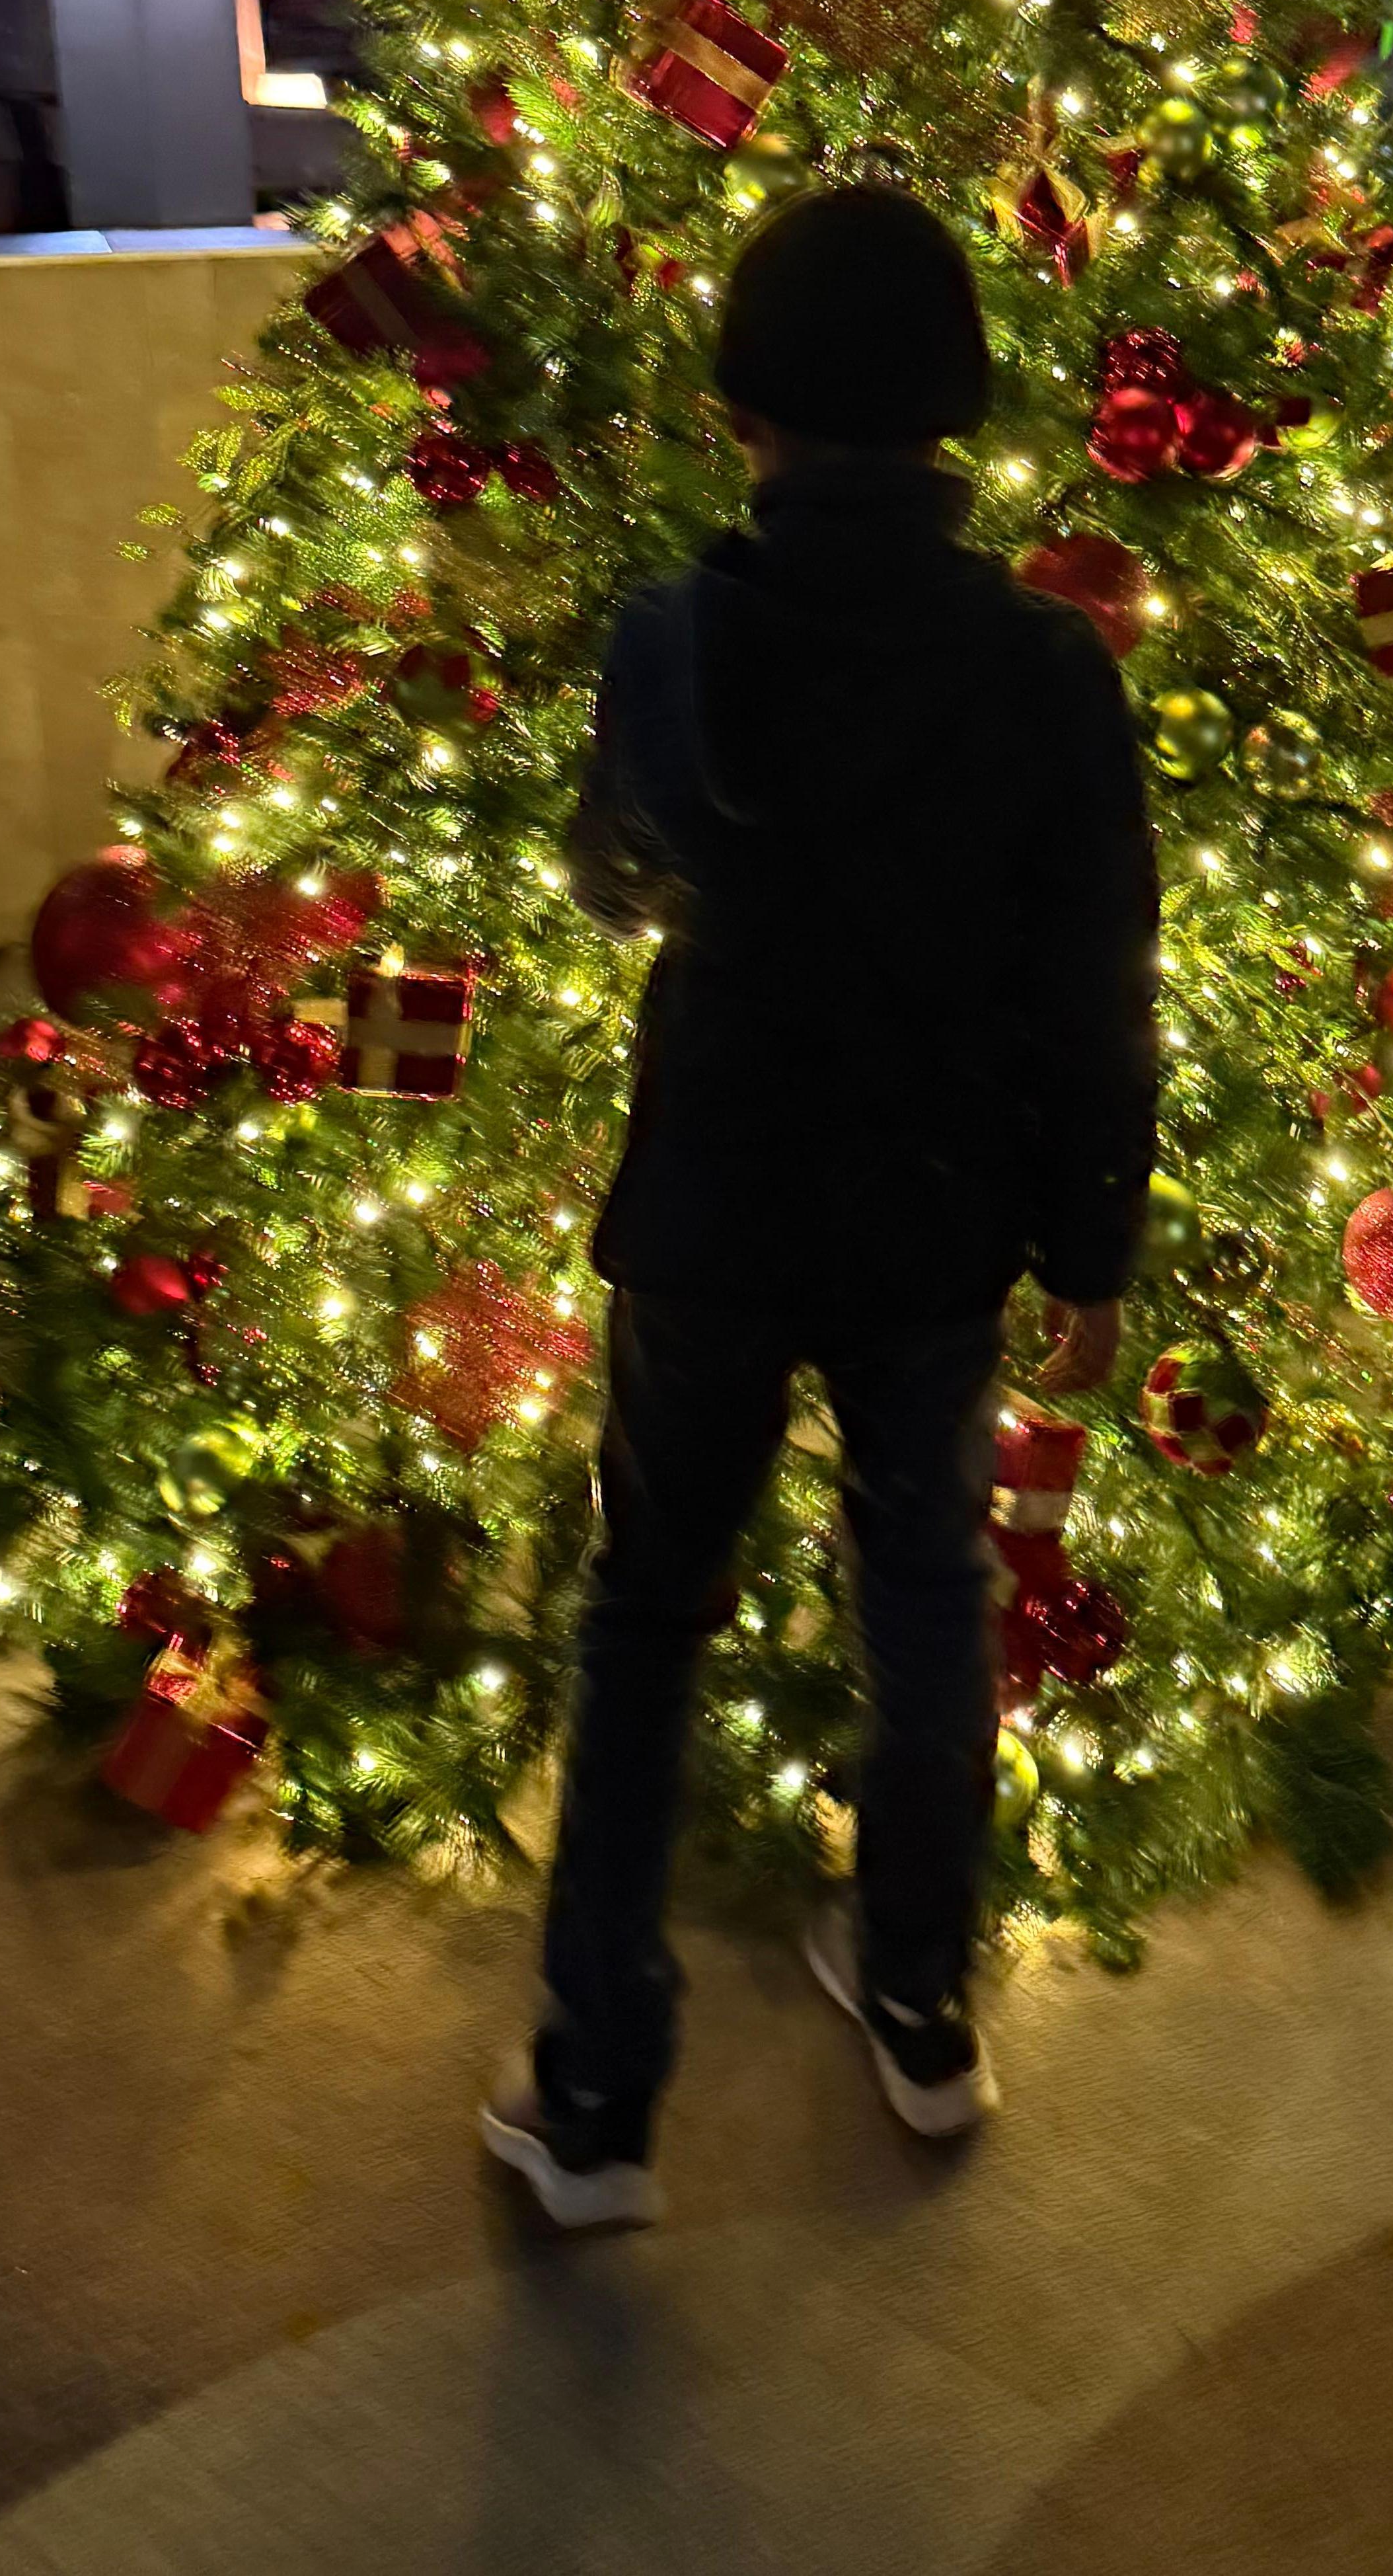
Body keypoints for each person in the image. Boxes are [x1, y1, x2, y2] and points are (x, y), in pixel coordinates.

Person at [481, 184, 1160, 2229]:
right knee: (929, 1591)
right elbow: (1094, 985)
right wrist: (1093, 1252)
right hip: (937, 1219)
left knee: (640, 1617)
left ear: (736, 406)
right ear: (953, 412)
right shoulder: (1047, 668)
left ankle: (597, 2100)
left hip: (713, 1202)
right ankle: (922, 2004)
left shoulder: (676, 634)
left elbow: (612, 881)